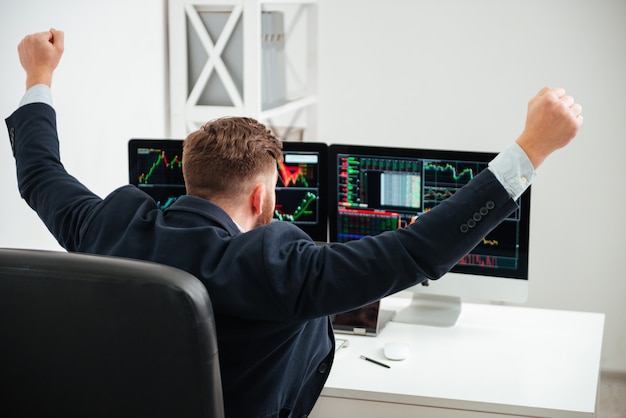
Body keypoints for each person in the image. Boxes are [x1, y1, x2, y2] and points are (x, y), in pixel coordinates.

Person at [6, 29, 583, 418]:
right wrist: (530, 149)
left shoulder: (109, 227)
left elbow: (39, 174)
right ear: (262, 196)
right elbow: (418, 251)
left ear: (188, 176)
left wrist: (39, 72)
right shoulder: (280, 270)